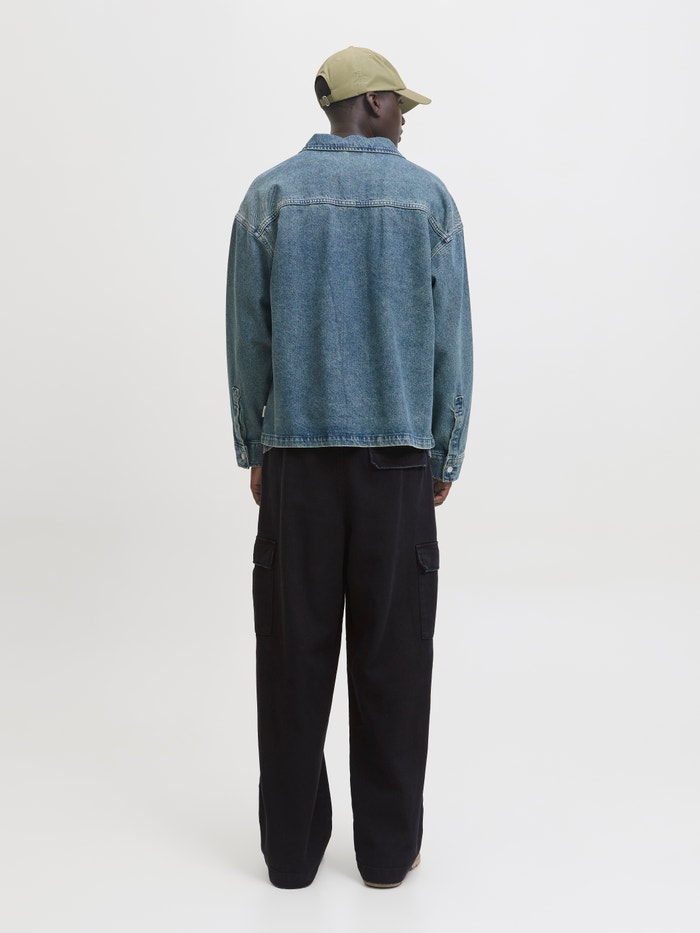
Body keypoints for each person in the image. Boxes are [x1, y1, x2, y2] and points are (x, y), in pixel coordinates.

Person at [226, 45, 473, 889]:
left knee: (292, 659)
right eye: (397, 103)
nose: (404, 119)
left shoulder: (270, 197)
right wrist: (444, 448)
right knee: (393, 660)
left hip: (297, 465)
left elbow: (247, 338)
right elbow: (451, 341)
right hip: (397, 465)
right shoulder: (428, 200)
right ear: (367, 104)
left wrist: (257, 445)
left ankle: (292, 856)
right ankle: (387, 855)